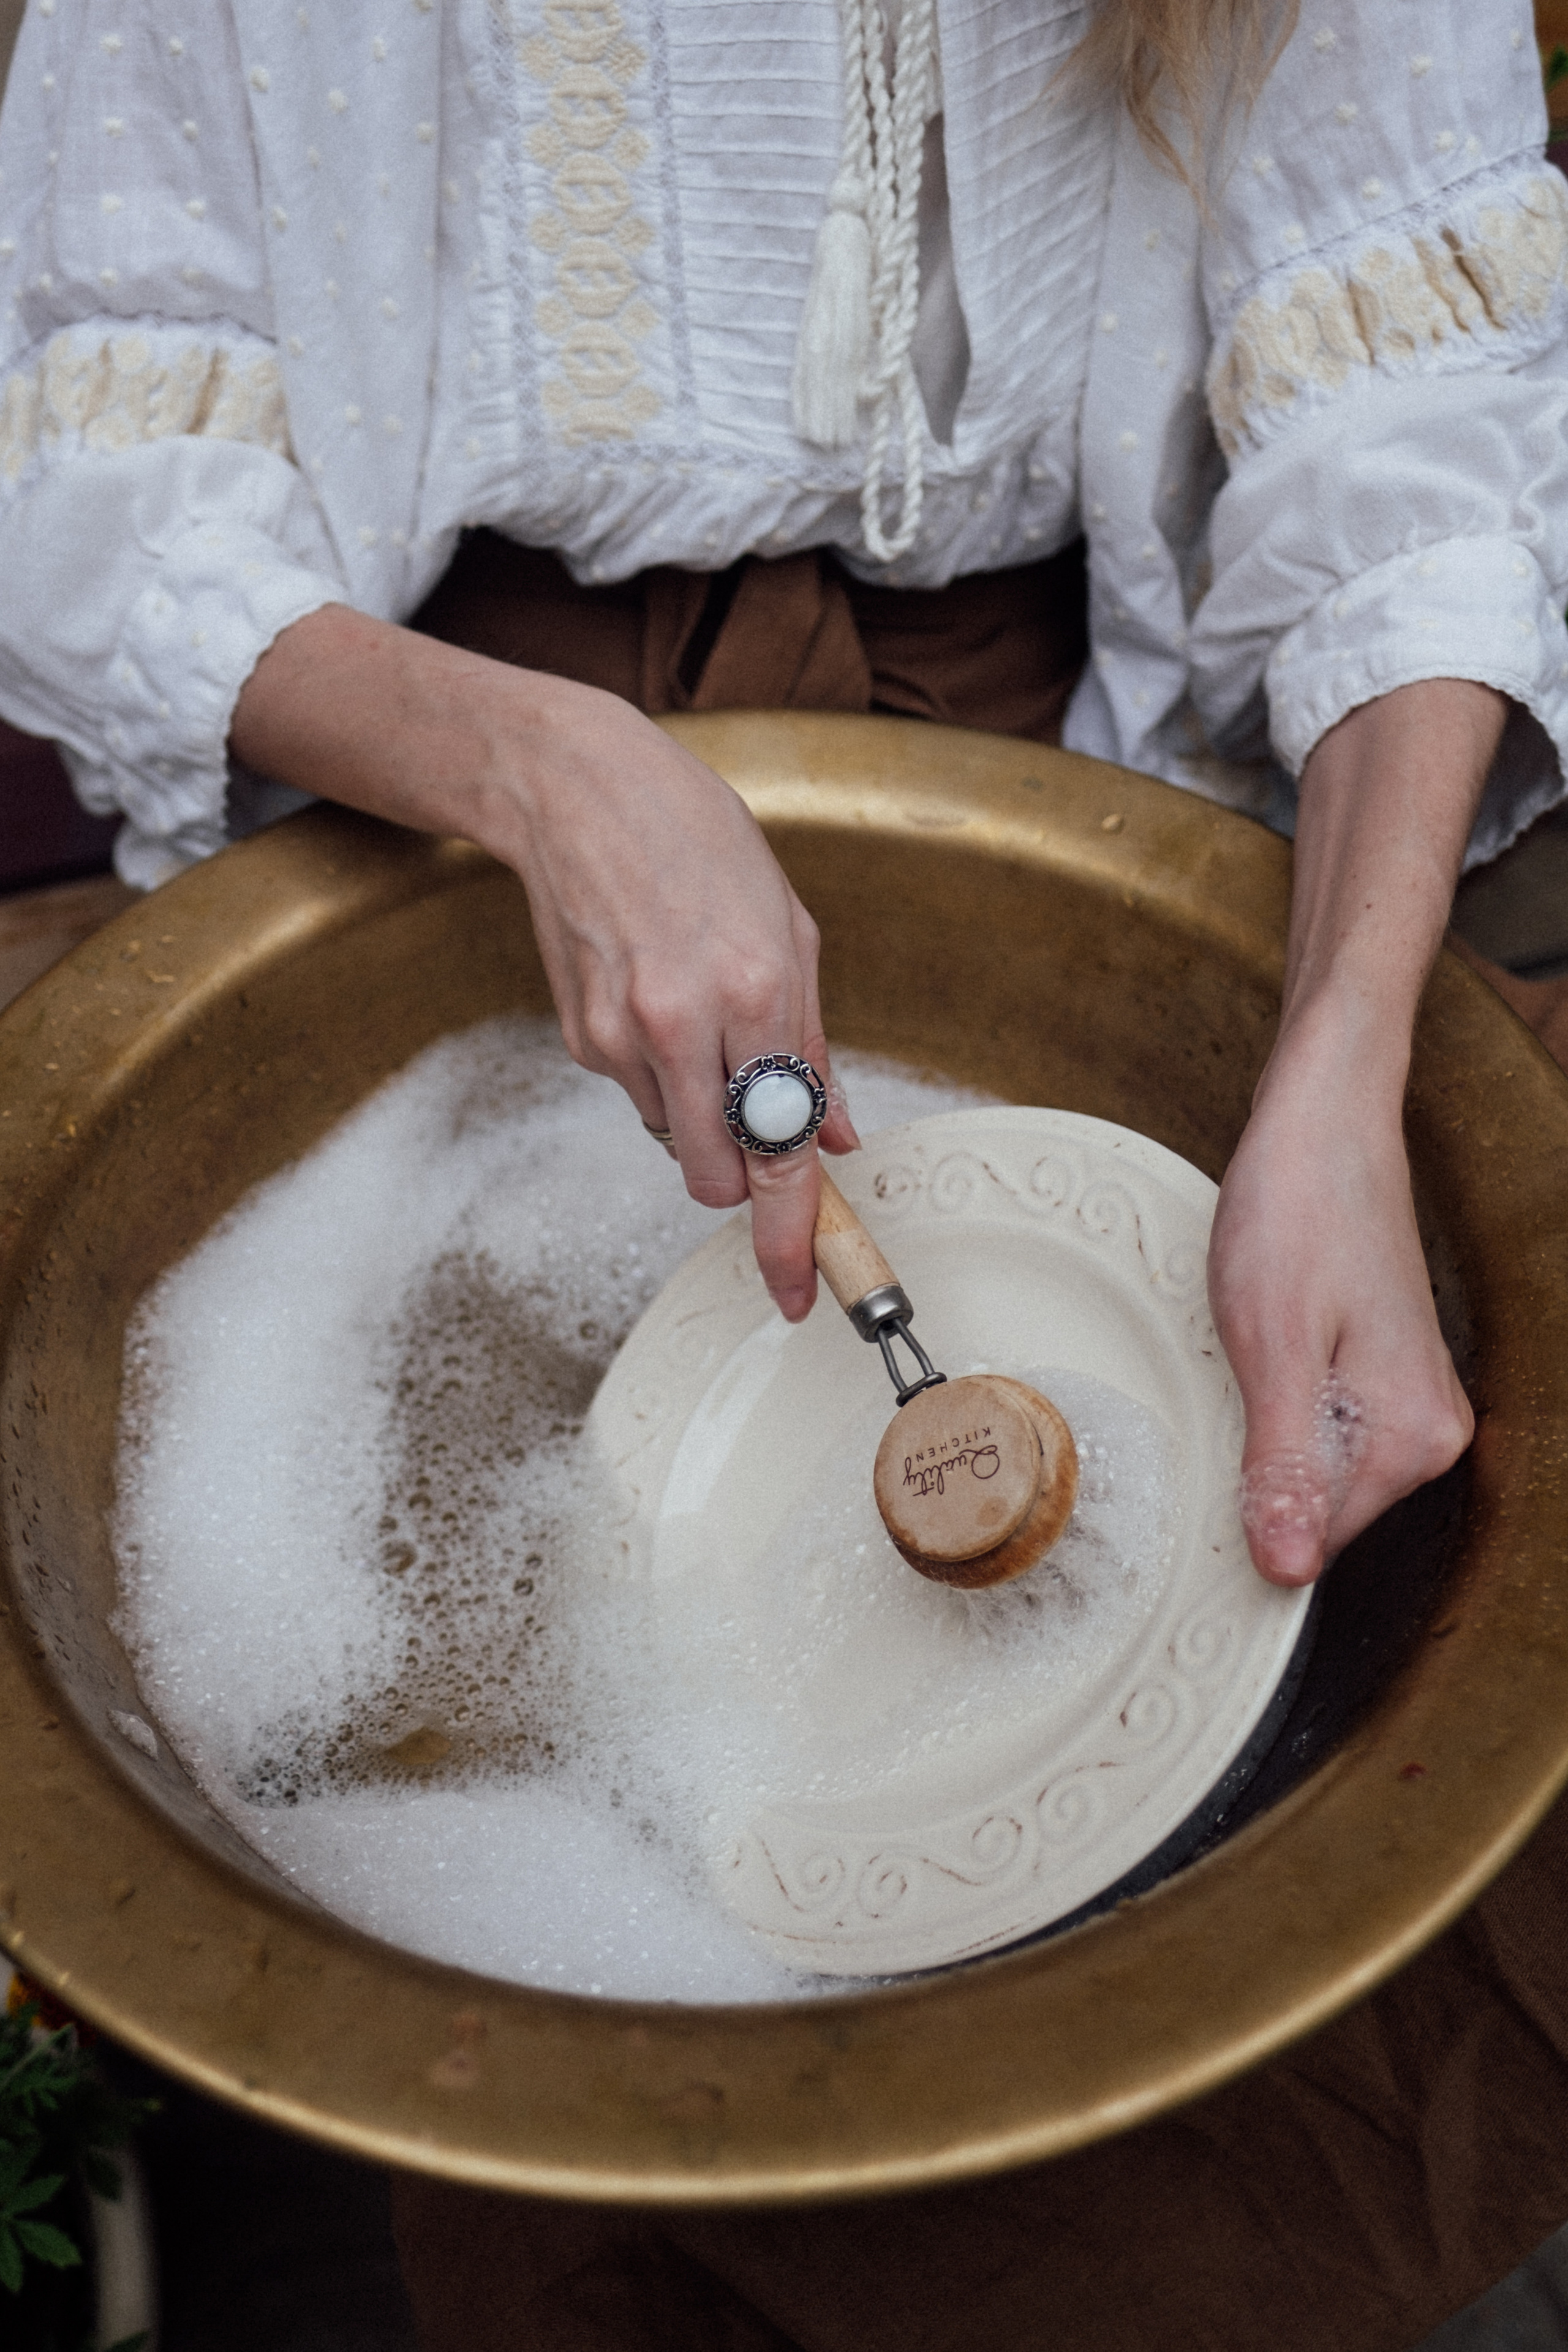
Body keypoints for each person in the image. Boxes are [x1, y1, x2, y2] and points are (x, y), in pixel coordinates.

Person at [2, 5, 1568, 2343]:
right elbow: (103, 445)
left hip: (1095, 784)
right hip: (429, 837)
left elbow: (1405, 436)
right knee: (603, 2035)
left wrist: (1341, 1066)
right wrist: (543, 776)